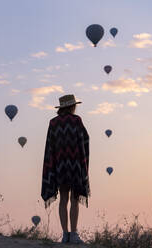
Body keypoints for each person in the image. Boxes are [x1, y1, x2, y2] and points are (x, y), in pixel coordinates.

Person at [41, 94, 90, 244]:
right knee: (75, 199)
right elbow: (85, 138)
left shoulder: (53, 123)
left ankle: (64, 234)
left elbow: (50, 145)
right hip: (75, 165)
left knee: (63, 199)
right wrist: (82, 162)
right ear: (72, 106)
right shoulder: (76, 120)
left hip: (59, 166)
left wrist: (54, 163)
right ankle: (74, 234)